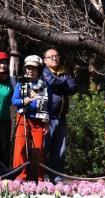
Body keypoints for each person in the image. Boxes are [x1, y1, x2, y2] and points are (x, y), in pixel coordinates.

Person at [11, 55, 51, 181]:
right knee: (20, 148)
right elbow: (14, 101)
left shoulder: (45, 85)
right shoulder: (20, 83)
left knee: (39, 150)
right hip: (22, 118)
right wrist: (24, 100)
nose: (30, 71)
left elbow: (47, 105)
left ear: (38, 70)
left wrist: (46, 123)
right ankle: (19, 178)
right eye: (28, 68)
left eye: (33, 68)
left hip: (39, 120)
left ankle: (40, 179)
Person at [42, 48, 77, 182]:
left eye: (56, 56)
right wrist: (63, 85)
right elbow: (51, 83)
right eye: (51, 57)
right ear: (45, 61)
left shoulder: (64, 73)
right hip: (47, 118)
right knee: (44, 149)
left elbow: (73, 87)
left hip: (62, 118)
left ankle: (56, 179)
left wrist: (60, 85)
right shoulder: (44, 72)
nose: (55, 58)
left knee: (59, 151)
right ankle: (39, 177)